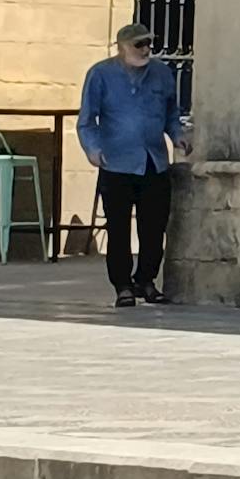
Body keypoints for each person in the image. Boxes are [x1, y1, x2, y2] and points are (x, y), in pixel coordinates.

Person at [77, 20, 187, 307]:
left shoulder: (162, 73)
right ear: (122, 47)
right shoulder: (100, 75)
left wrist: (177, 136)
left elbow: (171, 114)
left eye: (149, 43)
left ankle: (146, 280)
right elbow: (87, 121)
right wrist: (93, 149)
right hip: (117, 163)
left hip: (154, 162)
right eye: (139, 44)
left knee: (154, 227)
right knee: (118, 228)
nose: (146, 48)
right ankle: (122, 285)